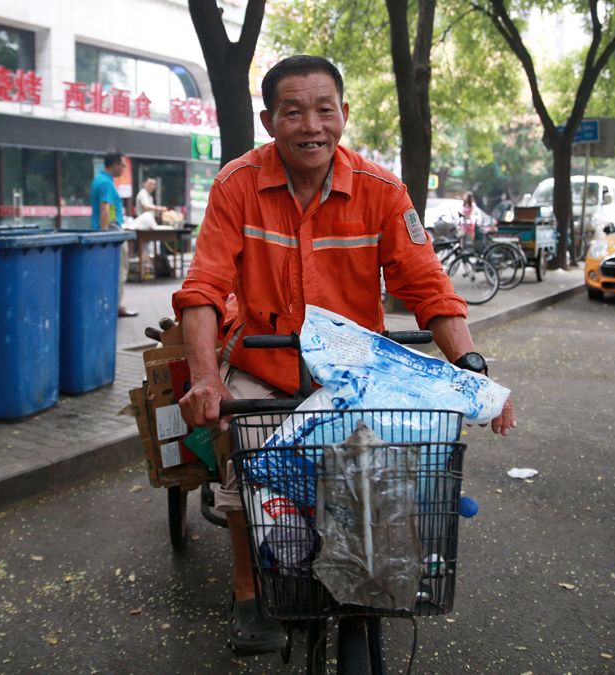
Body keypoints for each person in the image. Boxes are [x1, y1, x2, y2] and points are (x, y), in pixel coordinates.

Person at [170, 55, 517, 655]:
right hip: (264, 364)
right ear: (269, 120)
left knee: (384, 472)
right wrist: (206, 378)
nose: (312, 125)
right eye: (293, 111)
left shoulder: (383, 192)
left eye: (324, 109)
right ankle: (249, 589)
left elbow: (429, 287)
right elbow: (202, 288)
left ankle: (366, 570)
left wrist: (469, 369)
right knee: (245, 459)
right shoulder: (237, 185)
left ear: (344, 115)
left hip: (359, 376)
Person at [91, 151, 138, 317]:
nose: (124, 168)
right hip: (111, 231)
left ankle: (108, 304)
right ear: (115, 164)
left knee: (108, 272)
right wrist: (105, 237)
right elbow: (105, 208)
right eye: (123, 164)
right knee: (119, 270)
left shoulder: (99, 179)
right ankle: (117, 306)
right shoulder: (105, 183)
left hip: (106, 230)